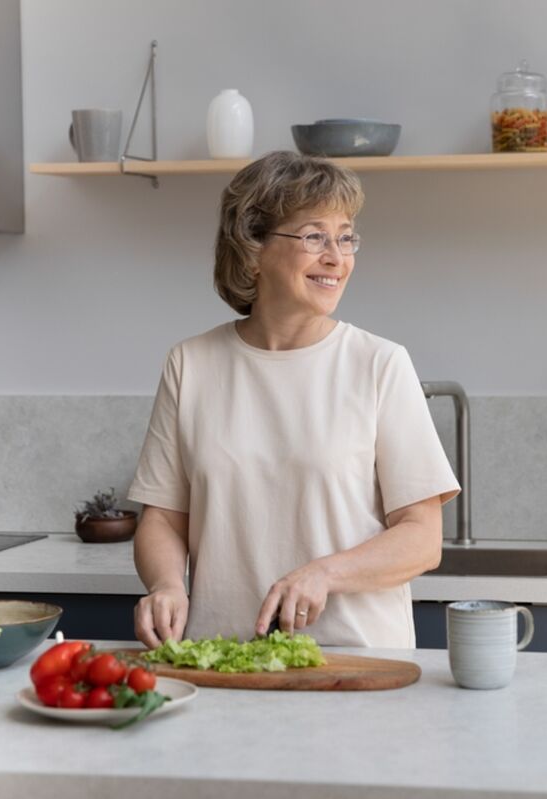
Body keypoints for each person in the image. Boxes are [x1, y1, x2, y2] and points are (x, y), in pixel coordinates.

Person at [127, 151, 459, 649]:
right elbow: (163, 519)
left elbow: (421, 538)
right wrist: (166, 585)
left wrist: (326, 574)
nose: (336, 257)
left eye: (346, 237)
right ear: (253, 246)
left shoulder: (378, 364)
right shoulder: (190, 365)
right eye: (313, 236)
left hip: (355, 662)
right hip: (224, 659)